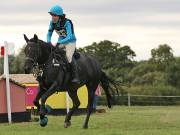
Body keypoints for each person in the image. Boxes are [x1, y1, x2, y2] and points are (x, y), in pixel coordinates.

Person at [47, 5, 80, 84]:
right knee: (53, 53)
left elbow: (70, 36)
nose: (52, 17)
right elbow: (49, 33)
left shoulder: (67, 23)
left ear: (59, 16)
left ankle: (75, 76)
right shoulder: (52, 23)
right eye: (52, 15)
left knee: (68, 56)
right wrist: (48, 42)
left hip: (70, 42)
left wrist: (59, 42)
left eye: (54, 15)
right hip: (61, 41)